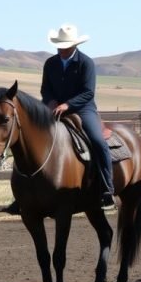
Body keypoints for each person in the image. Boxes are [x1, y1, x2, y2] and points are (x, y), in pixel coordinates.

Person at [42, 24, 115, 207]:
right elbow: (46, 89)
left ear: (74, 45)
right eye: (60, 45)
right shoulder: (50, 64)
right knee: (30, 135)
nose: (62, 49)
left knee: (98, 141)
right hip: (54, 108)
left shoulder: (86, 63)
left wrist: (68, 104)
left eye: (65, 46)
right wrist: (50, 101)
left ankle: (107, 189)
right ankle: (23, 194)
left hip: (83, 109)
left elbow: (88, 92)